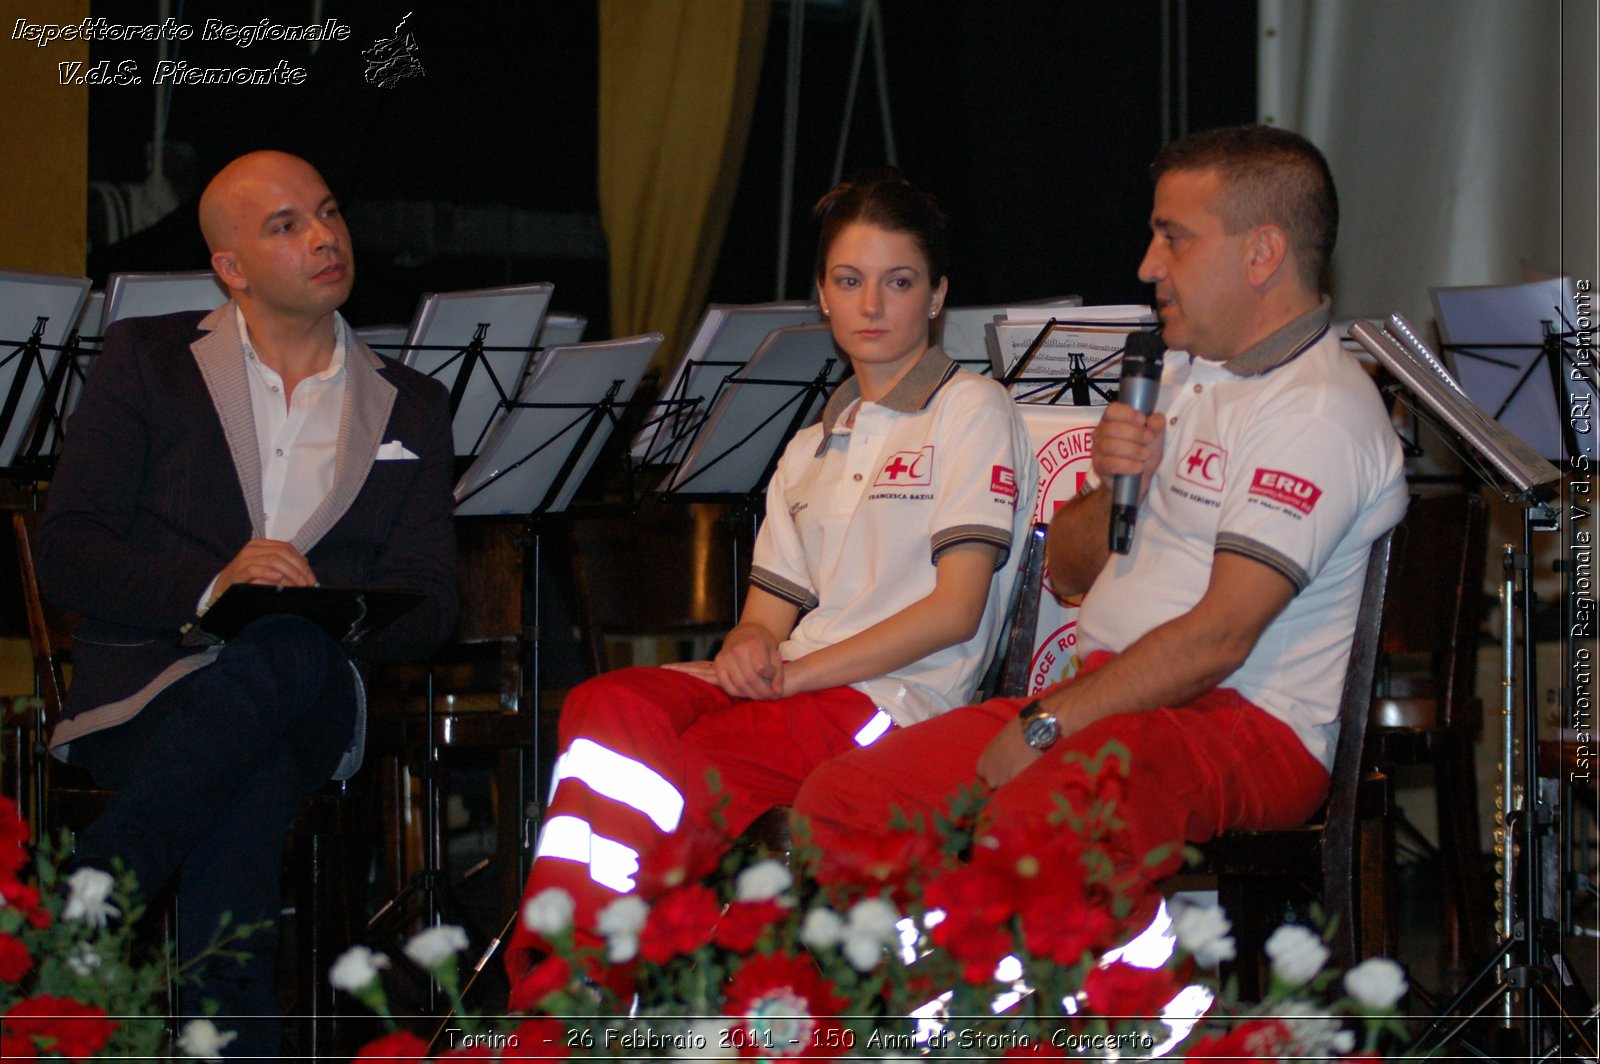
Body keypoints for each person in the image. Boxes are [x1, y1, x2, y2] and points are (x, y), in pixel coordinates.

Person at [794, 125, 1408, 894]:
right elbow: (1068, 567)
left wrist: (1050, 723)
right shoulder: (1181, 372)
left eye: (1173, 239)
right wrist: (1120, 479)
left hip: (1243, 722)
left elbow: (1219, 639)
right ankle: (909, 1009)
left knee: (1038, 826)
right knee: (844, 802)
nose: (1149, 265)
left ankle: (1111, 1011)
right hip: (1112, 698)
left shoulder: (1316, 410)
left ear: (1262, 254)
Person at [506, 172, 1035, 988]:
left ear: (936, 297)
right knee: (607, 703)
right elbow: (766, 615)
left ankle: (583, 995)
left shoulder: (972, 410)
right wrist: (753, 646)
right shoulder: (812, 441)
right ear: (822, 295)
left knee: (688, 769)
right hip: (800, 686)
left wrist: (790, 674)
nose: (872, 305)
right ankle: (576, 970)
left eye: (899, 282)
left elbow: (957, 611)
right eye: (850, 281)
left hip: (895, 702)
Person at [39, 150, 457, 1056]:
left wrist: (325, 607)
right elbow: (66, 553)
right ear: (230, 267)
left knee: (287, 644)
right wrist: (211, 586)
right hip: (152, 689)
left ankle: (109, 876)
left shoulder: (413, 405)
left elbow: (430, 609)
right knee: (249, 771)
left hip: (312, 694)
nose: (324, 237)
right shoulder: (147, 362)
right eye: (286, 226)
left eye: (328, 210)